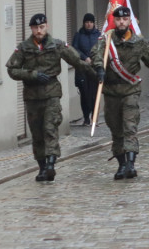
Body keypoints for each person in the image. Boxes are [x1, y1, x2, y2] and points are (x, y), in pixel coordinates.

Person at [91, 6, 149, 180]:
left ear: (130, 21)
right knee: (115, 128)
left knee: (129, 127)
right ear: (114, 21)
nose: (121, 22)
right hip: (111, 92)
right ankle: (121, 164)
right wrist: (99, 67)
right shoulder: (106, 40)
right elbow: (96, 54)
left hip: (130, 90)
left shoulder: (139, 43)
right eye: (118, 19)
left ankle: (130, 164)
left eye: (125, 19)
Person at [6, 13, 91, 182]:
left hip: (51, 94)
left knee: (49, 129)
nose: (39, 30)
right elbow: (12, 70)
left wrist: (97, 74)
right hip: (32, 96)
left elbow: (77, 61)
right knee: (37, 133)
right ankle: (42, 167)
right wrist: (32, 74)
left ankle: (51, 165)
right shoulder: (23, 48)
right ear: (31, 29)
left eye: (42, 27)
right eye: (36, 28)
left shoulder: (57, 45)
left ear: (47, 26)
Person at [72, 13, 101, 126]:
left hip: (95, 69)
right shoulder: (79, 35)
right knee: (84, 94)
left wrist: (96, 60)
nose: (89, 24)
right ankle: (86, 117)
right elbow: (74, 49)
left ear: (93, 23)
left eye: (91, 22)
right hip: (83, 69)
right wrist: (85, 58)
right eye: (87, 22)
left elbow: (102, 49)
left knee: (95, 94)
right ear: (84, 23)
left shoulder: (98, 35)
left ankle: (94, 118)